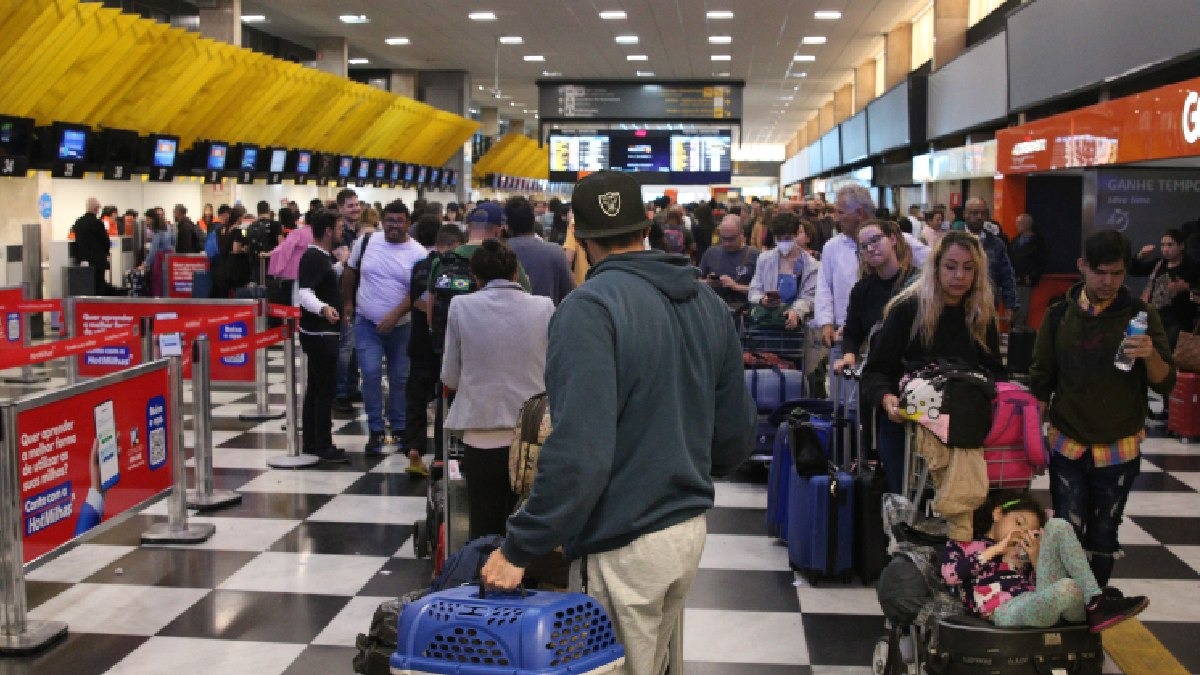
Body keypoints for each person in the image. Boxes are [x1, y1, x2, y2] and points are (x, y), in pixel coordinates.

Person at [481, 171, 755, 674]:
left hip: (622, 539)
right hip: (685, 531)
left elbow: (579, 453)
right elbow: (737, 437)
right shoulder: (709, 306)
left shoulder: (589, 309)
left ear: (579, 239)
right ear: (646, 225)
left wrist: (521, 545)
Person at [1029, 229, 1175, 586]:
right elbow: (1041, 379)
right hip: (1068, 440)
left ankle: (1093, 608)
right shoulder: (1059, 314)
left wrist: (1150, 354)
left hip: (1119, 442)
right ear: (1082, 266)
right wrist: (1033, 436)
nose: (1108, 281)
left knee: (1104, 535)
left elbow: (1164, 382)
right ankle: (1065, 607)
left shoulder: (1142, 314)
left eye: (1117, 273)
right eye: (1100, 272)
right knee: (1067, 528)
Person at [861, 231, 1006, 520]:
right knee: (909, 508)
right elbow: (876, 371)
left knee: (964, 508)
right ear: (936, 267)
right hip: (907, 424)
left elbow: (995, 372)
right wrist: (887, 399)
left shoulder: (981, 315)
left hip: (962, 423)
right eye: (950, 266)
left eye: (968, 268)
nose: (959, 276)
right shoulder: (907, 310)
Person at [441, 239, 555, 538]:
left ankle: (484, 579)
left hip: (481, 432)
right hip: (533, 434)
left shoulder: (461, 306)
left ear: (476, 278)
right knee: (528, 522)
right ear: (516, 274)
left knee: (484, 521)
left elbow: (450, 376)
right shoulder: (544, 307)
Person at [941, 491, 1149, 631]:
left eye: (1031, 532)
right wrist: (996, 549)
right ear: (998, 514)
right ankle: (1093, 602)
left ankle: (1095, 602)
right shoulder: (965, 545)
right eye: (1019, 522)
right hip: (1004, 611)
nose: (1022, 533)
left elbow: (1039, 586)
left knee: (1058, 525)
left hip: (1039, 600)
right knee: (1068, 587)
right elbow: (950, 576)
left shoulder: (1023, 552)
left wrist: (1035, 557)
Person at [341, 200, 429, 454]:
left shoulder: (418, 253)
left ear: (408, 224)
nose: (394, 226)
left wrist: (394, 314)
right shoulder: (367, 242)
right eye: (389, 220)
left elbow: (418, 291)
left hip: (402, 326)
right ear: (382, 221)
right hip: (366, 322)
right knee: (369, 374)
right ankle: (376, 429)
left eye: (399, 221)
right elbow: (350, 271)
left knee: (400, 377)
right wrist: (348, 301)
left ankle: (400, 428)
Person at [816, 185, 928, 359]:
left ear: (859, 213)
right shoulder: (832, 247)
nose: (836, 219)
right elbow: (824, 287)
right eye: (864, 246)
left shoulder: (901, 241)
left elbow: (933, 263)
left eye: (841, 212)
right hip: (844, 336)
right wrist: (825, 323)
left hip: (891, 337)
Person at [404, 221, 464, 475]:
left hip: (419, 342)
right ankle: (441, 456)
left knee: (416, 398)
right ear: (452, 245)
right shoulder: (458, 269)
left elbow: (416, 301)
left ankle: (414, 448)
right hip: (444, 345)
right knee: (444, 398)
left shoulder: (420, 267)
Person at [296, 210, 348, 463]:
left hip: (318, 332)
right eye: (338, 227)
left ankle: (312, 441)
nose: (341, 232)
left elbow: (322, 281)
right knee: (324, 389)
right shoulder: (314, 257)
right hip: (320, 333)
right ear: (327, 230)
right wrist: (324, 309)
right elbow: (304, 292)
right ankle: (323, 445)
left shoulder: (320, 258)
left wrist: (340, 266)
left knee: (316, 387)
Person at [747, 212, 818, 331]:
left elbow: (809, 298)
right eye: (779, 239)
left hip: (797, 327)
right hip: (766, 323)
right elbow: (754, 290)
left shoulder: (811, 265)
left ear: (796, 235)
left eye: (787, 238)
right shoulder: (764, 259)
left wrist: (796, 311)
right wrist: (762, 300)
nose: (783, 243)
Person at [1130, 228, 1199, 348]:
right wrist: (1140, 255)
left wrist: (1186, 286)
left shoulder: (1191, 267)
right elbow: (1134, 270)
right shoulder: (1159, 263)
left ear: (1181, 246)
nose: (1165, 249)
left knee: (1167, 353)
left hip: (1177, 321)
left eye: (1170, 245)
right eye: (1163, 245)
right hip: (1153, 317)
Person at [503, 196, 575, 305]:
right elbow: (568, 295)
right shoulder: (555, 253)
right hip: (548, 319)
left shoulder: (499, 253)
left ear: (507, 226)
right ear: (534, 221)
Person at [963, 198, 1020, 319]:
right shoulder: (952, 240)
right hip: (958, 304)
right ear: (965, 214)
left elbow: (1007, 276)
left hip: (988, 305)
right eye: (975, 213)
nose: (979, 217)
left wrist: (1010, 305)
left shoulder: (996, 244)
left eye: (983, 213)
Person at [334, 189, 364, 414]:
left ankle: (352, 386)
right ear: (341, 208)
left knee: (354, 346)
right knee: (345, 346)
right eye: (350, 205)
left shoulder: (357, 233)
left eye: (357, 204)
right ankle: (341, 392)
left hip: (357, 294)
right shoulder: (340, 234)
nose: (355, 208)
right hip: (342, 295)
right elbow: (345, 262)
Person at [699, 214, 760, 312]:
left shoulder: (755, 255)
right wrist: (708, 282)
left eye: (732, 239)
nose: (727, 243)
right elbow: (696, 282)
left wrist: (735, 286)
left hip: (743, 312)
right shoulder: (711, 253)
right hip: (714, 310)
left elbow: (761, 292)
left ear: (742, 234)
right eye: (724, 238)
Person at [1008, 213, 1045, 327]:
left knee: (1022, 308)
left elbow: (1041, 261)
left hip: (1026, 280)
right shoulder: (1015, 241)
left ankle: (1018, 331)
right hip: (1013, 279)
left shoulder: (1037, 242)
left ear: (1026, 225)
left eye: (1018, 223)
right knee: (1012, 306)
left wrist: (1032, 275)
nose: (1016, 225)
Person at [72, 197, 110, 294]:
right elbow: (106, 242)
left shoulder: (78, 222)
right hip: (98, 262)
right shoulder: (97, 223)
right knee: (98, 288)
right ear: (95, 208)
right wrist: (106, 253)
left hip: (83, 261)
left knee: (86, 288)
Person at [211, 205, 249, 299]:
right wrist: (245, 249)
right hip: (235, 268)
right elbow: (236, 249)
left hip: (220, 267)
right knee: (237, 293)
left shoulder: (221, 230)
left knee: (222, 294)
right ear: (240, 217)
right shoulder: (241, 230)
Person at [143, 208, 175, 297]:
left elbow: (153, 251)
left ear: (153, 219)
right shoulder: (168, 227)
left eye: (148, 219)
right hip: (169, 257)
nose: (147, 222)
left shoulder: (157, 231)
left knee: (158, 281)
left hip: (160, 258)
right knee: (167, 282)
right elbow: (173, 240)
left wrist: (145, 264)